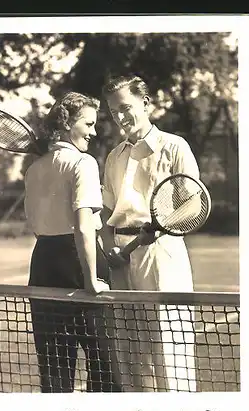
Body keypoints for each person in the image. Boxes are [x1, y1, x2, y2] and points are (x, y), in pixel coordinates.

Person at [100, 75, 200, 392]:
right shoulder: (114, 156)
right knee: (131, 356)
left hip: (162, 254)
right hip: (120, 258)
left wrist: (159, 227)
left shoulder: (174, 146)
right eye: (114, 111)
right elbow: (106, 211)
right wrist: (108, 248)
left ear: (145, 104)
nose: (121, 116)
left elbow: (193, 203)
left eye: (126, 108)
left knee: (168, 352)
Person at [24, 91, 118, 393]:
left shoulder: (34, 169)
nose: (93, 132)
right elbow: (82, 226)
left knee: (54, 373)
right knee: (104, 369)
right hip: (79, 262)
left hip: (42, 262)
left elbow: (37, 228)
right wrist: (90, 279)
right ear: (66, 123)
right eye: (88, 124)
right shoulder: (84, 163)